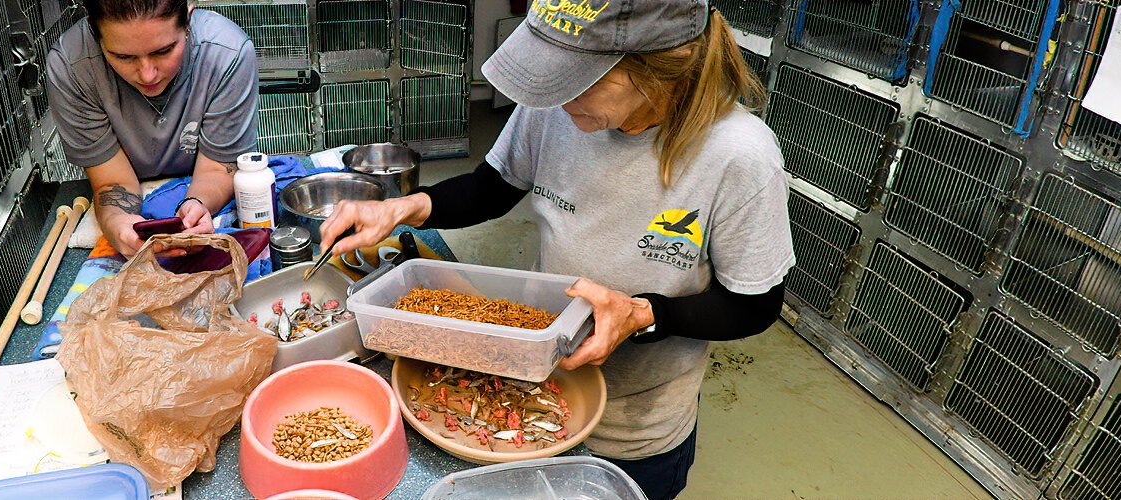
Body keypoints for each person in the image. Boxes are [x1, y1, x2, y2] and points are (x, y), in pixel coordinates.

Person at [319, 1, 791, 498]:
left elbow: (754, 306)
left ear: (658, 69)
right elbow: (491, 188)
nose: (558, 97)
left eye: (579, 80)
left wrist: (641, 313)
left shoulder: (739, 156)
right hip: (534, 380)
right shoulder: (555, 108)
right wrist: (405, 207)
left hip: (636, 428)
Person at [47, 0, 258, 256]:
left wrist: (197, 204)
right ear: (94, 32)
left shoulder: (227, 53)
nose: (148, 75)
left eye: (164, 51)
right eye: (123, 56)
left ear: (188, 19)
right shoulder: (72, 66)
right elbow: (111, 182)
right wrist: (117, 224)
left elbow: (217, 167)